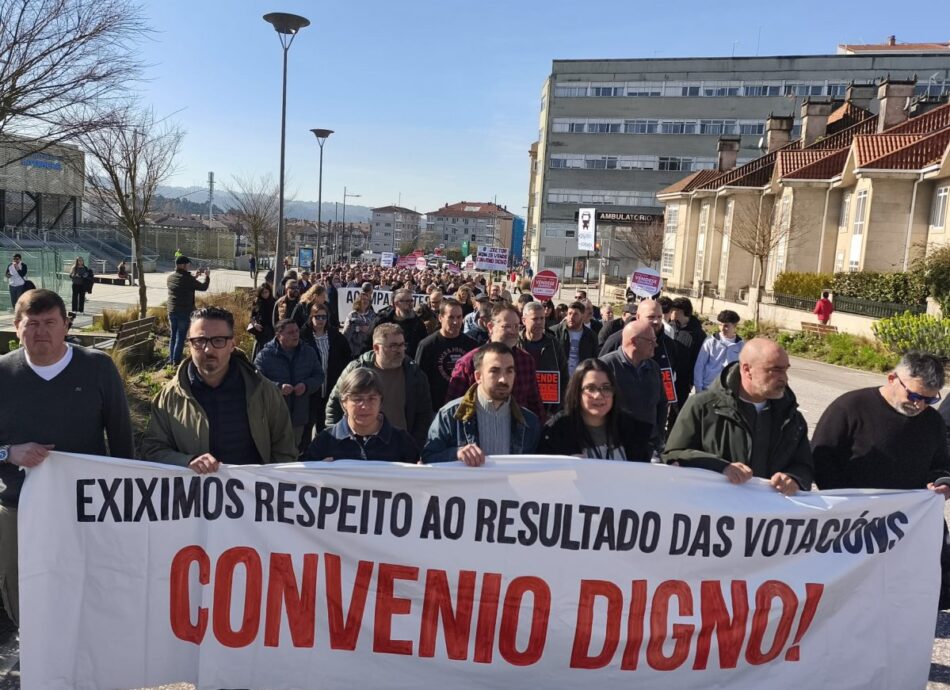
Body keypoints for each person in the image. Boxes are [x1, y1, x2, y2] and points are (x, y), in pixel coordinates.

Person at [0, 289, 133, 626]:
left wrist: (124, 501)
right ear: (17, 327)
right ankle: (33, 649)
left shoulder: (97, 368)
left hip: (85, 504)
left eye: (49, 322)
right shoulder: (2, 373)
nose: (40, 331)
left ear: (66, 325)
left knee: (86, 583)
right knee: (21, 586)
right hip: (18, 504)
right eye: (32, 323)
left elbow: (121, 440)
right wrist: (8, 452)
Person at [141, 306, 298, 470]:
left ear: (232, 344)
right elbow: (152, 450)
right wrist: (186, 462)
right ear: (189, 344)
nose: (208, 350)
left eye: (218, 341)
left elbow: (285, 451)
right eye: (200, 341)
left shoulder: (264, 391)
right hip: (194, 494)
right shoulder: (168, 398)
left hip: (252, 494)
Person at [663, 338, 812, 495]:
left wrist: (794, 479)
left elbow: (804, 466)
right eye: (775, 370)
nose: (784, 378)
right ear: (747, 370)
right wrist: (721, 467)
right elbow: (673, 455)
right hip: (714, 511)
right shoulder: (703, 406)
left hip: (768, 515)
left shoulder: (791, 417)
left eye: (785, 370)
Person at [812, 352, 948, 492]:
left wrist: (941, 482)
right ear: (892, 379)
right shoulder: (850, 407)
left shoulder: (933, 421)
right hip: (855, 508)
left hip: (910, 511)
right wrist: (844, 499)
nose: (919, 405)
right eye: (913, 396)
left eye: (929, 400)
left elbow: (941, 464)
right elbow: (821, 459)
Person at [423, 342, 540, 464]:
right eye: (495, 371)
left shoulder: (529, 422)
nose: (503, 379)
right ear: (478, 376)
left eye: (509, 371)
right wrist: (456, 454)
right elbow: (428, 458)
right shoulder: (450, 415)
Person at [326, 323, 433, 448]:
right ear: (376, 348)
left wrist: (414, 445)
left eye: (402, 345)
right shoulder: (356, 370)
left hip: (399, 447)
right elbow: (334, 405)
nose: (399, 350)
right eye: (393, 346)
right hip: (357, 446)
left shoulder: (414, 374)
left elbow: (424, 415)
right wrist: (334, 441)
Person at [539, 358, 652, 462]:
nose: (598, 395)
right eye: (590, 388)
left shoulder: (632, 429)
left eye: (606, 388)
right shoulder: (556, 431)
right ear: (577, 392)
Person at [447, 304, 545, 421]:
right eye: (506, 326)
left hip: (517, 434)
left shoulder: (526, 360)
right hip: (478, 432)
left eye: (516, 326)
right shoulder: (468, 362)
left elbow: (535, 403)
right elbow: (453, 410)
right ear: (490, 327)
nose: (513, 332)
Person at [303, 368, 419, 463]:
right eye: (357, 399)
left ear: (381, 402)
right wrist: (318, 472)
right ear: (344, 403)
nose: (364, 406)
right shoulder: (325, 441)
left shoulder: (402, 441)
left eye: (372, 399)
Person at [599, 320, 667, 455]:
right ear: (634, 341)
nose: (656, 344)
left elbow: (661, 404)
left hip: (647, 446)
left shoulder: (653, 368)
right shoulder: (606, 366)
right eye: (651, 341)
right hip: (614, 448)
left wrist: (658, 436)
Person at [254, 319, 325, 447]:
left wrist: (306, 385)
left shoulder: (308, 352)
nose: (295, 335)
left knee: (295, 455)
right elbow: (255, 380)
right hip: (274, 418)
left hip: (299, 417)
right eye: (290, 332)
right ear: (278, 335)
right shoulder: (265, 356)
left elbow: (319, 375)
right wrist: (278, 388)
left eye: (297, 331)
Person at [301, 302, 352, 442]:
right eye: (318, 317)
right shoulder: (302, 336)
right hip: (310, 391)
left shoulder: (335, 336)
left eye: (324, 317)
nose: (321, 320)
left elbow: (347, 357)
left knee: (325, 429)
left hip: (330, 389)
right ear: (311, 317)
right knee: (306, 429)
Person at [415, 298, 477, 406]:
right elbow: (418, 381)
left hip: (464, 406)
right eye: (451, 317)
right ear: (440, 318)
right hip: (435, 407)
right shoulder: (427, 345)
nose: (456, 322)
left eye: (459, 317)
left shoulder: (472, 345)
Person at [520, 301, 568, 416]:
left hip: (548, 410)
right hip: (520, 409)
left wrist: (556, 409)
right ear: (524, 320)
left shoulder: (553, 344)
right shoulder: (515, 343)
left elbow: (564, 377)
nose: (539, 322)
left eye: (542, 318)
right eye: (535, 319)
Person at [166, 255, 210, 366]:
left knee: (173, 336)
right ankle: (176, 362)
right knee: (180, 337)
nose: (189, 267)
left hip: (171, 310)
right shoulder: (188, 279)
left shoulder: (170, 278)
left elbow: (182, 284)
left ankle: (171, 359)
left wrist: (194, 277)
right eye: (188, 265)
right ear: (183, 265)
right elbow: (203, 287)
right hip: (183, 312)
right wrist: (207, 277)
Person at [694, 310, 744, 392]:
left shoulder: (741, 345)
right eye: (720, 325)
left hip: (728, 390)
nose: (722, 328)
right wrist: (698, 387)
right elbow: (700, 365)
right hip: (708, 388)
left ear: (735, 326)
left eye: (726, 326)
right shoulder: (710, 341)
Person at [669, 297, 706, 405]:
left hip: (683, 380)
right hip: (668, 377)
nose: (671, 313)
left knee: (678, 409)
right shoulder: (670, 327)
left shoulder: (698, 335)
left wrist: (691, 381)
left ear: (681, 311)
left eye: (673, 310)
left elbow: (698, 360)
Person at [372, 288, 428, 358]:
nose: (410, 304)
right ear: (396, 303)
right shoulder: (382, 320)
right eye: (407, 301)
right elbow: (368, 343)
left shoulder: (417, 323)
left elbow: (423, 347)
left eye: (411, 301)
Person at [550, 301, 598, 377]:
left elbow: (594, 360)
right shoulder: (554, 332)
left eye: (575, 314)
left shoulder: (591, 336)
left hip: (580, 378)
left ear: (582, 316)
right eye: (569, 313)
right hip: (559, 378)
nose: (571, 317)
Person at [249, 283, 277, 357]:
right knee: (259, 352)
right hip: (260, 331)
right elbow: (252, 316)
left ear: (269, 292)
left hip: (271, 331)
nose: (264, 294)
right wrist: (255, 325)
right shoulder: (257, 301)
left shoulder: (274, 302)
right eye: (262, 293)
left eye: (266, 292)